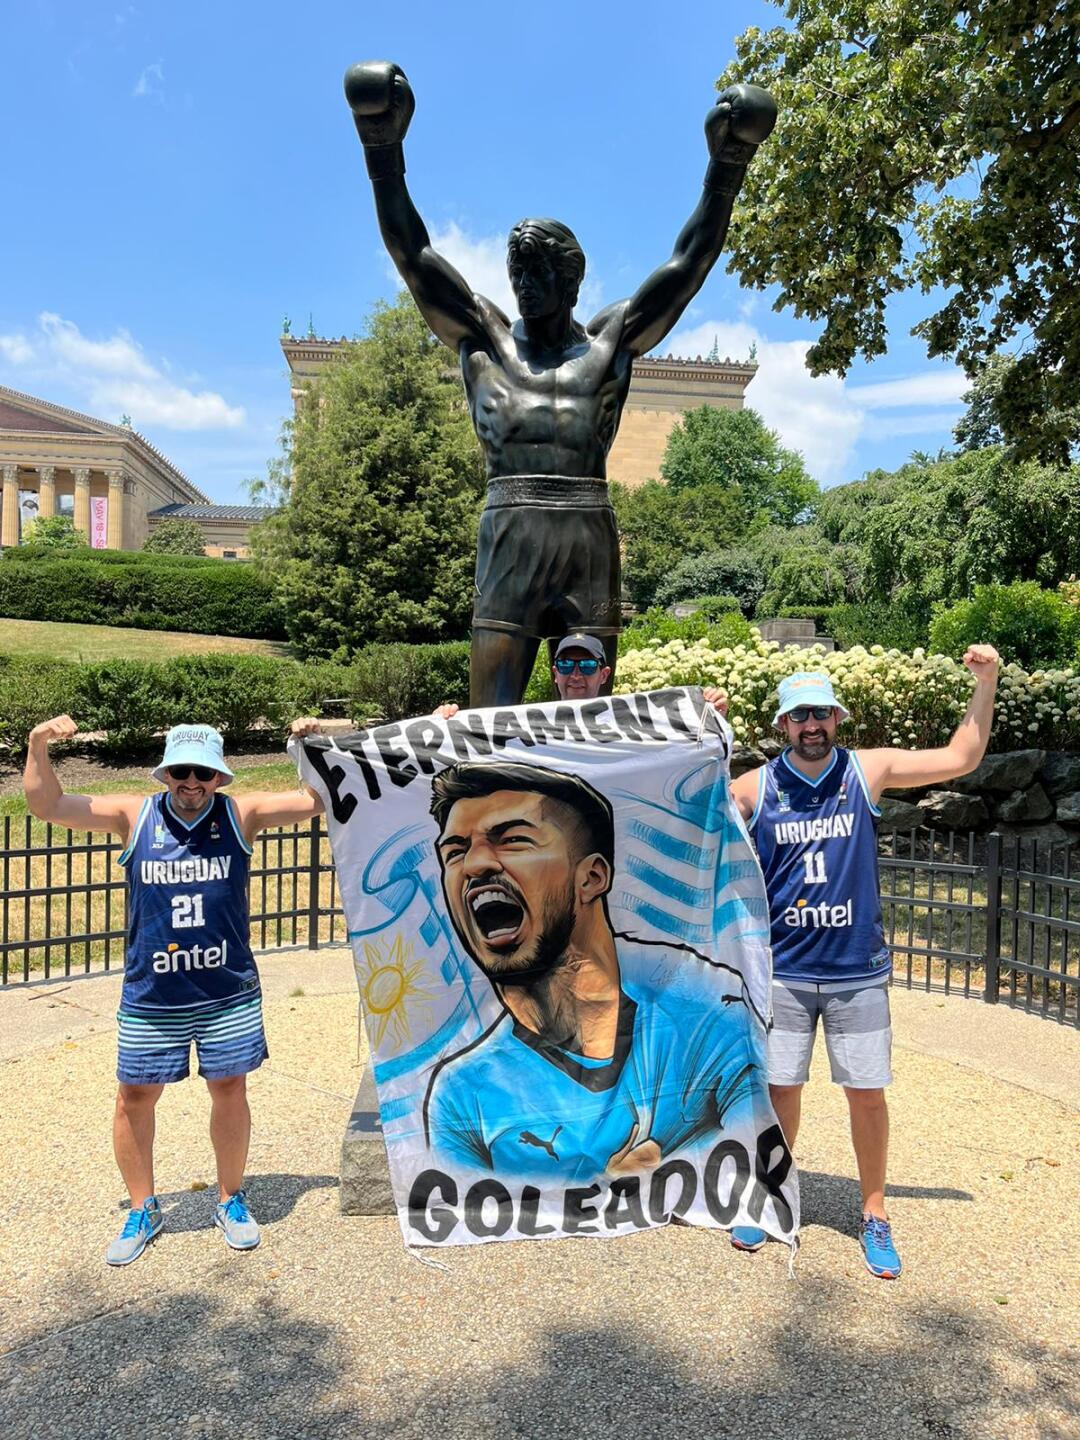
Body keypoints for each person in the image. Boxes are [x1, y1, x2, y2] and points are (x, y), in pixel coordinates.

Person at [344, 60, 776, 705]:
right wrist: (382, 144)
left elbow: (690, 262)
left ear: (571, 281)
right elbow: (414, 255)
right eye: (518, 271)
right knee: (492, 722)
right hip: (510, 531)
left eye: (540, 273)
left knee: (592, 718)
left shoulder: (610, 344)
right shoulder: (484, 338)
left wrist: (728, 165)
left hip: (587, 536)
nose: (525, 285)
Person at [711, 646, 1000, 1277]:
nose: (810, 725)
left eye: (820, 713)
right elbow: (687, 806)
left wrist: (987, 682)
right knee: (780, 1090)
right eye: (798, 715)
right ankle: (769, 1195)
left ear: (837, 717)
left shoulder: (865, 770)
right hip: (784, 970)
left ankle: (875, 1213)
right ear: (782, 724)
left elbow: (962, 757)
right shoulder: (755, 786)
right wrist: (709, 732)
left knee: (866, 1096)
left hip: (855, 970)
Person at [23, 715, 326, 1266]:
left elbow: (319, 799)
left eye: (204, 772)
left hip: (226, 988)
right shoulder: (135, 815)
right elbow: (48, 807)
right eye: (181, 771)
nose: (192, 783)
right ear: (166, 773)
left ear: (219, 776)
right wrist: (37, 746)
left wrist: (309, 744)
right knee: (134, 1096)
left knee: (229, 1089)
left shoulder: (240, 813)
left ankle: (230, 1198)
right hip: (153, 992)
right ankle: (144, 1207)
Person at [423, 759, 766, 1181]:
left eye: (512, 839)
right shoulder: (460, 1095)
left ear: (593, 876)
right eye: (455, 852)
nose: (474, 865)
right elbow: (461, 1209)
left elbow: (754, 1153)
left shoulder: (707, 1015)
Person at [435, 631, 611, 719]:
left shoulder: (625, 728)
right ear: (556, 674)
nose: (576, 674)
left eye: (587, 666)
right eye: (565, 665)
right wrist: (444, 723)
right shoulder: (531, 725)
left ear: (603, 675)